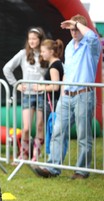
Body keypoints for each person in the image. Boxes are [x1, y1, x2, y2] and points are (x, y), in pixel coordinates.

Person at [33, 15, 101, 179]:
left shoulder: (91, 45)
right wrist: (62, 92)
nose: (73, 31)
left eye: (76, 28)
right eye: (71, 29)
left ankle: (81, 171)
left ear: (82, 28)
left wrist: (77, 23)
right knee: (57, 131)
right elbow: (68, 73)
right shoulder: (70, 47)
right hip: (66, 96)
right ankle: (53, 168)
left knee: (84, 135)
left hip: (84, 94)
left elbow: (92, 36)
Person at [3, 27, 48, 162]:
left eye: (35, 38)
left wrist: (45, 85)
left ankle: (36, 155)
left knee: (40, 125)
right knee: (26, 127)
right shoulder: (23, 54)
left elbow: (55, 68)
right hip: (27, 95)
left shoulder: (45, 53)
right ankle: (23, 154)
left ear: (40, 40)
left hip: (41, 94)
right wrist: (16, 84)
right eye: (30, 39)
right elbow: (7, 68)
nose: (32, 41)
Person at [33, 39, 66, 157]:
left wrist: (40, 87)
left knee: (52, 129)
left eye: (43, 51)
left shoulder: (54, 66)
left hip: (53, 102)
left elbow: (55, 86)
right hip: (53, 101)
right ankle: (52, 155)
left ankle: (53, 156)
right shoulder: (57, 63)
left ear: (51, 52)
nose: (41, 54)